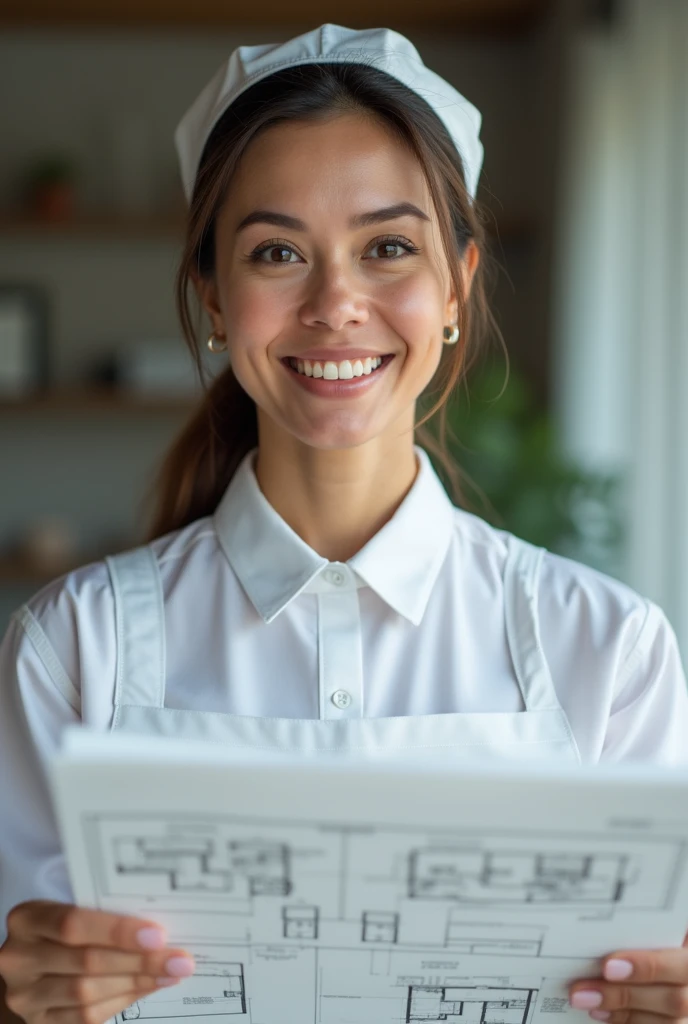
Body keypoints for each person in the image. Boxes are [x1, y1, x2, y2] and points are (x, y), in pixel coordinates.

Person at [1, 21, 688, 1024]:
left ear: (455, 284)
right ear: (214, 298)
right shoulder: (71, 645)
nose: (335, 302)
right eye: (277, 251)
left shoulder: (610, 651)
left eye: (388, 248)